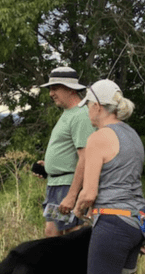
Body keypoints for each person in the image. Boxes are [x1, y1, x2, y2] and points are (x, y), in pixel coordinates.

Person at [73, 80, 145, 274]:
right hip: (137, 223)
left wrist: (77, 210)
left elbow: (90, 192)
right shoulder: (132, 135)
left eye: (88, 106)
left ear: (97, 107)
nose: (87, 112)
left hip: (112, 223)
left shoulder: (99, 137)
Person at [36, 67, 95, 237]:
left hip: (67, 186)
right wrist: (50, 167)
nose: (51, 93)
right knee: (52, 233)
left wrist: (72, 195)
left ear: (69, 89)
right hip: (56, 184)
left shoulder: (80, 115)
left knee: (71, 234)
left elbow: (85, 158)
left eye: (55, 88)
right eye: (50, 89)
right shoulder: (68, 113)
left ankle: (74, 265)